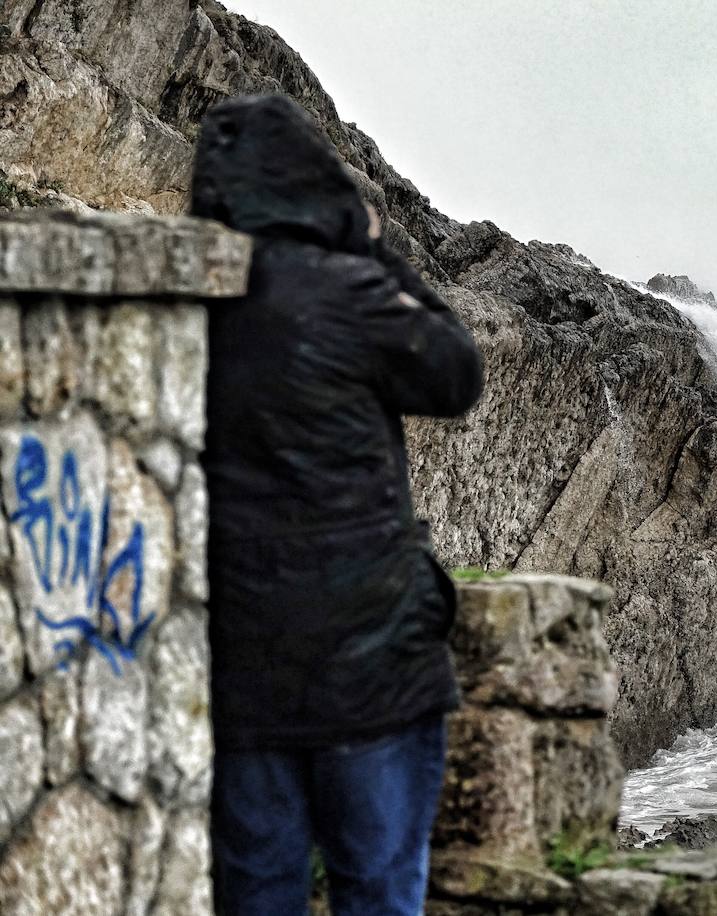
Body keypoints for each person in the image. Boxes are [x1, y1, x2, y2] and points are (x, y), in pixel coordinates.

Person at [190, 94, 484, 916]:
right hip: (373, 661)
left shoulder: (199, 302)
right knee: (379, 886)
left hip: (245, 666)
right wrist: (377, 253)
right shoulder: (350, 291)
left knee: (259, 892)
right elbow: (454, 372)